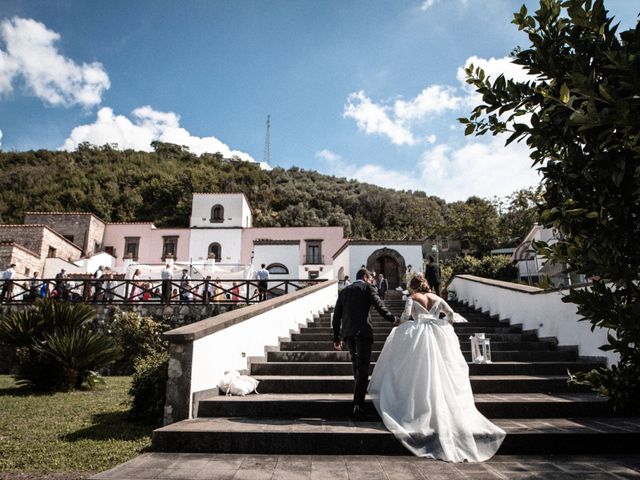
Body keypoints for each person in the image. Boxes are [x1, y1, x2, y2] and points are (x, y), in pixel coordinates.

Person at [368, 274, 505, 462]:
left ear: (413, 286)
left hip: (419, 338)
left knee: (418, 373)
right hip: (437, 335)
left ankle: (420, 408)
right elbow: (450, 315)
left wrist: (402, 324)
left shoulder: (412, 298)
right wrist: (442, 324)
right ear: (425, 284)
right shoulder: (437, 298)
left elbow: (405, 317)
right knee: (441, 372)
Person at [332, 268, 397, 421]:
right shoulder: (368, 288)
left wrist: (336, 337)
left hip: (348, 334)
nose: (372, 280)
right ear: (366, 277)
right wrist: (393, 319)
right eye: (370, 278)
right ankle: (358, 405)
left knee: (357, 366)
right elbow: (379, 306)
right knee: (363, 367)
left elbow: (337, 316)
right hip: (363, 333)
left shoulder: (345, 291)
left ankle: (357, 400)